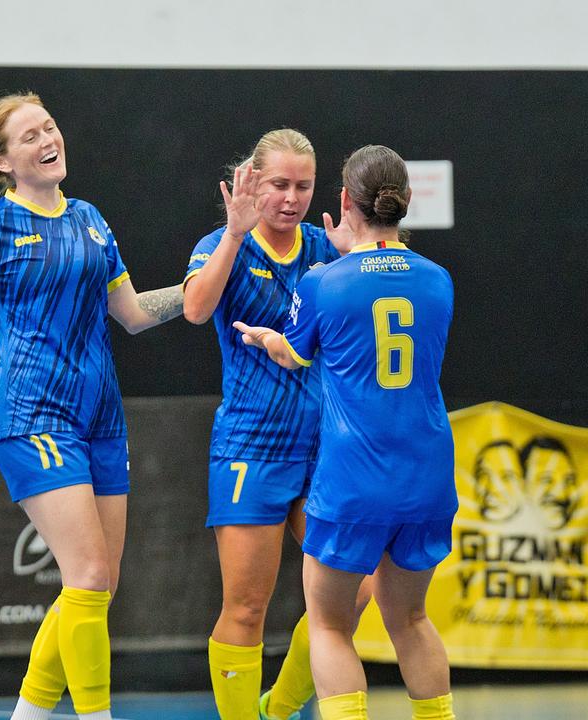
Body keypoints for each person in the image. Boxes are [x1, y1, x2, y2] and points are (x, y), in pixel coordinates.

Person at [0, 92, 184, 720]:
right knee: (88, 576)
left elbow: (135, 314)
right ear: (2, 161)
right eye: (30, 136)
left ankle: (28, 716)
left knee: (98, 586)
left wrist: (208, 276)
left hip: (102, 419)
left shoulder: (89, 217)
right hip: (32, 414)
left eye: (51, 127)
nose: (47, 140)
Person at [235, 144, 457, 720]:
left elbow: (299, 352)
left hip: (354, 478)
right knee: (410, 620)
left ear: (343, 201)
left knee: (331, 626)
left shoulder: (322, 283)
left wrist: (265, 340)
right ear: (405, 202)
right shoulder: (439, 281)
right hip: (427, 476)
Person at [182, 129, 341, 720]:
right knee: (247, 607)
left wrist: (356, 257)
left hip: (325, 448)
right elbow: (197, 308)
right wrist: (233, 232)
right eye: (279, 184)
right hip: (252, 447)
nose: (291, 198)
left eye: (303, 186)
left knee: (357, 592)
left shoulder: (327, 247)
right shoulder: (222, 242)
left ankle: (279, 709)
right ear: (251, 181)